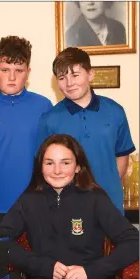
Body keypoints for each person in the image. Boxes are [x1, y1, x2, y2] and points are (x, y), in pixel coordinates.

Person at [0, 134, 139, 279]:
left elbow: (134, 242)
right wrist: (41, 266)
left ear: (78, 166)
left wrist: (90, 271)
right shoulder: (28, 199)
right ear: (40, 167)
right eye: (49, 163)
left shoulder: (96, 198)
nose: (57, 171)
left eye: (65, 163)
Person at [37, 47, 135, 213]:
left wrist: (104, 186)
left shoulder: (115, 111)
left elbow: (122, 156)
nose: (69, 83)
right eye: (62, 77)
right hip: (67, 207)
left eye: (75, 75)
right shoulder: (49, 119)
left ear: (90, 74)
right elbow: (44, 165)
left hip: (109, 202)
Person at [0, 36, 52, 229]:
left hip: (37, 201)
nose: (12, 77)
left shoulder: (44, 106)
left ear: (28, 72)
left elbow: (52, 152)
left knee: (37, 258)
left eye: (19, 71)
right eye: (5, 70)